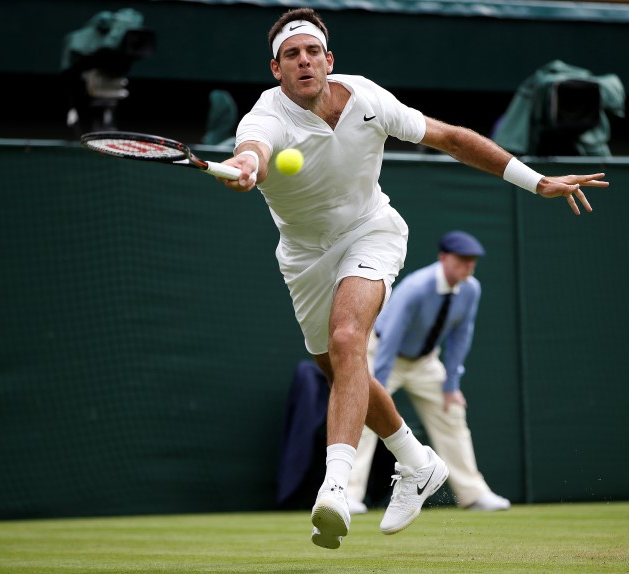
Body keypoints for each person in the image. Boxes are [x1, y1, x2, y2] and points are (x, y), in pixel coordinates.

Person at [218, 8, 608, 549]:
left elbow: (449, 137)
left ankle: (333, 488)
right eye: (292, 55)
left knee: (349, 339)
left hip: (371, 231)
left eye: (312, 52)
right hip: (303, 258)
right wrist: (247, 167)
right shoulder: (265, 119)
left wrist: (536, 181)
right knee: (337, 366)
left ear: (329, 61)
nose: (304, 61)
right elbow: (253, 150)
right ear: (276, 69)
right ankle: (417, 461)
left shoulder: (368, 101)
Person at [346, 230, 510, 515]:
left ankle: (473, 493)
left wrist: (451, 385)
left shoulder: (471, 289)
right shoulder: (416, 287)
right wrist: (378, 389)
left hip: (424, 362)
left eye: (472, 261)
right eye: (462, 260)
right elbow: (392, 338)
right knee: (365, 416)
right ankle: (348, 495)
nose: (468, 266)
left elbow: (461, 336)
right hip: (383, 353)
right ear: (443, 258)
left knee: (452, 413)